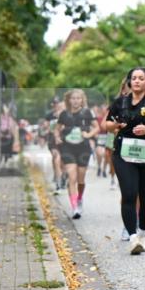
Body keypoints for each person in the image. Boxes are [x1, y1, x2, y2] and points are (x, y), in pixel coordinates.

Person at [105, 67, 145, 255]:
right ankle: (133, 237)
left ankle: (141, 233)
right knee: (130, 193)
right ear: (129, 82)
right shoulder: (120, 102)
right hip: (124, 154)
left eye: (141, 78)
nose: (137, 81)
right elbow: (107, 124)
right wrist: (117, 125)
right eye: (134, 78)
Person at [56, 89, 99, 218]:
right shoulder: (64, 114)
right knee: (72, 177)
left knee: (81, 179)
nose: (75, 101)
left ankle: (79, 198)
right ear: (69, 100)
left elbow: (97, 127)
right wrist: (57, 137)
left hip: (83, 148)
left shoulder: (87, 113)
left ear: (82, 100)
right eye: (73, 98)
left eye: (78, 98)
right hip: (67, 147)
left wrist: (89, 134)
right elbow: (57, 129)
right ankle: (75, 207)